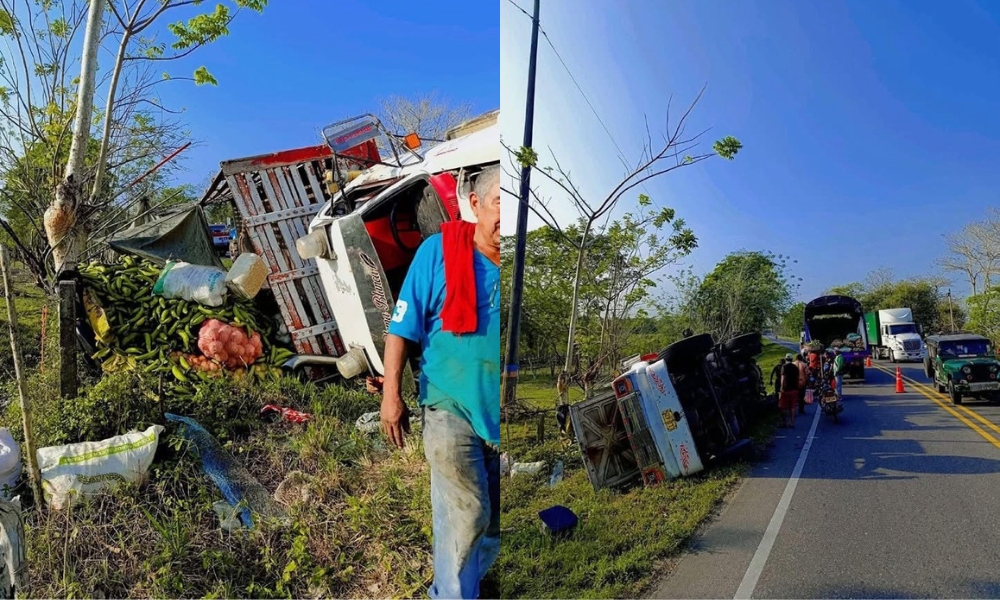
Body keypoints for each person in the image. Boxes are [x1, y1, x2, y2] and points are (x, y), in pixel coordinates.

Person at [379, 165, 502, 599]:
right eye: (499, 202)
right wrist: (391, 395)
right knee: (467, 514)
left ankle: (463, 586)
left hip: (500, 417)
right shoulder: (439, 252)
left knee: (485, 522)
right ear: (475, 204)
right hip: (450, 407)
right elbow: (401, 329)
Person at [779, 353, 801, 427]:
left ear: (785, 359)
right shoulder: (795, 367)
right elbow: (797, 378)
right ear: (792, 359)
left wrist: (782, 388)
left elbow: (783, 378)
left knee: (783, 406)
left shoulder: (784, 367)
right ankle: (792, 422)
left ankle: (784, 422)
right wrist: (797, 387)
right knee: (793, 406)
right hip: (794, 389)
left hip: (786, 390)